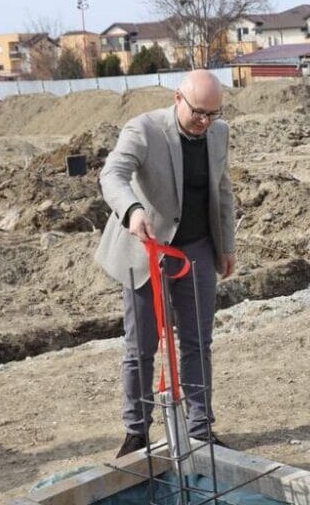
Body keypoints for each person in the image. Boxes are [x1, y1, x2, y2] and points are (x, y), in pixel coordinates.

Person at [96, 69, 236, 458]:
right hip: (146, 248)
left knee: (197, 342)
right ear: (178, 99)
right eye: (198, 113)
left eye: (213, 113)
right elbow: (112, 175)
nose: (205, 122)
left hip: (197, 251)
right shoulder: (143, 130)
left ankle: (199, 429)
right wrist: (133, 210)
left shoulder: (218, 133)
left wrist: (226, 245)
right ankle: (136, 432)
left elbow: (223, 190)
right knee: (140, 346)